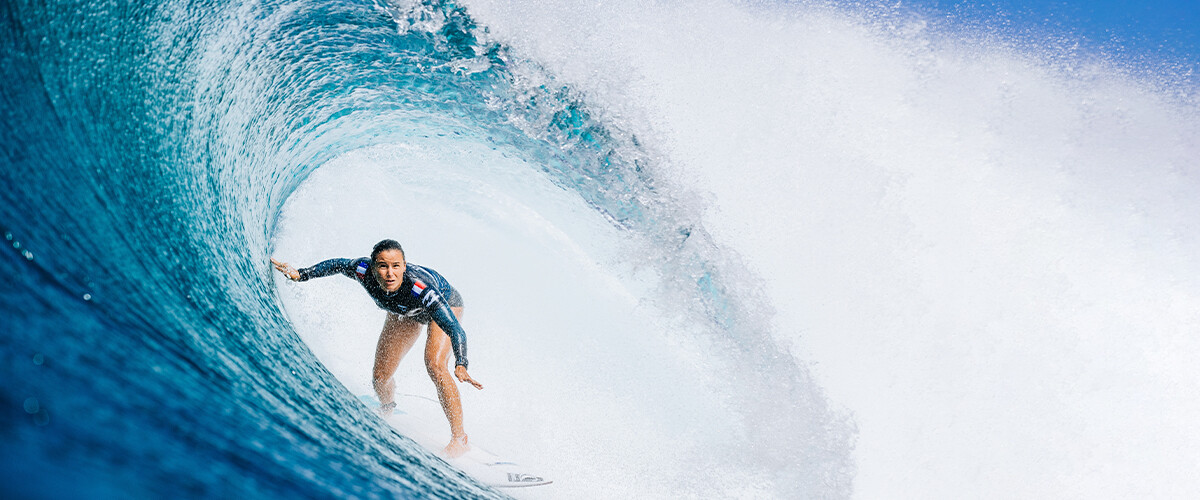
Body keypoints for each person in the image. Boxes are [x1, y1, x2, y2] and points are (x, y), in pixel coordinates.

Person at [271, 239, 482, 458]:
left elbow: (455, 329)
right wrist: (301, 274)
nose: (390, 273)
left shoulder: (421, 288)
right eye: (383, 266)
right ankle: (387, 408)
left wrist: (461, 363)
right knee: (380, 377)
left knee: (435, 365)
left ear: (404, 265)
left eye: (396, 266)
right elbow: (337, 265)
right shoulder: (362, 270)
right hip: (405, 312)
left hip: (445, 307)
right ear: (373, 267)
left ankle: (460, 439)